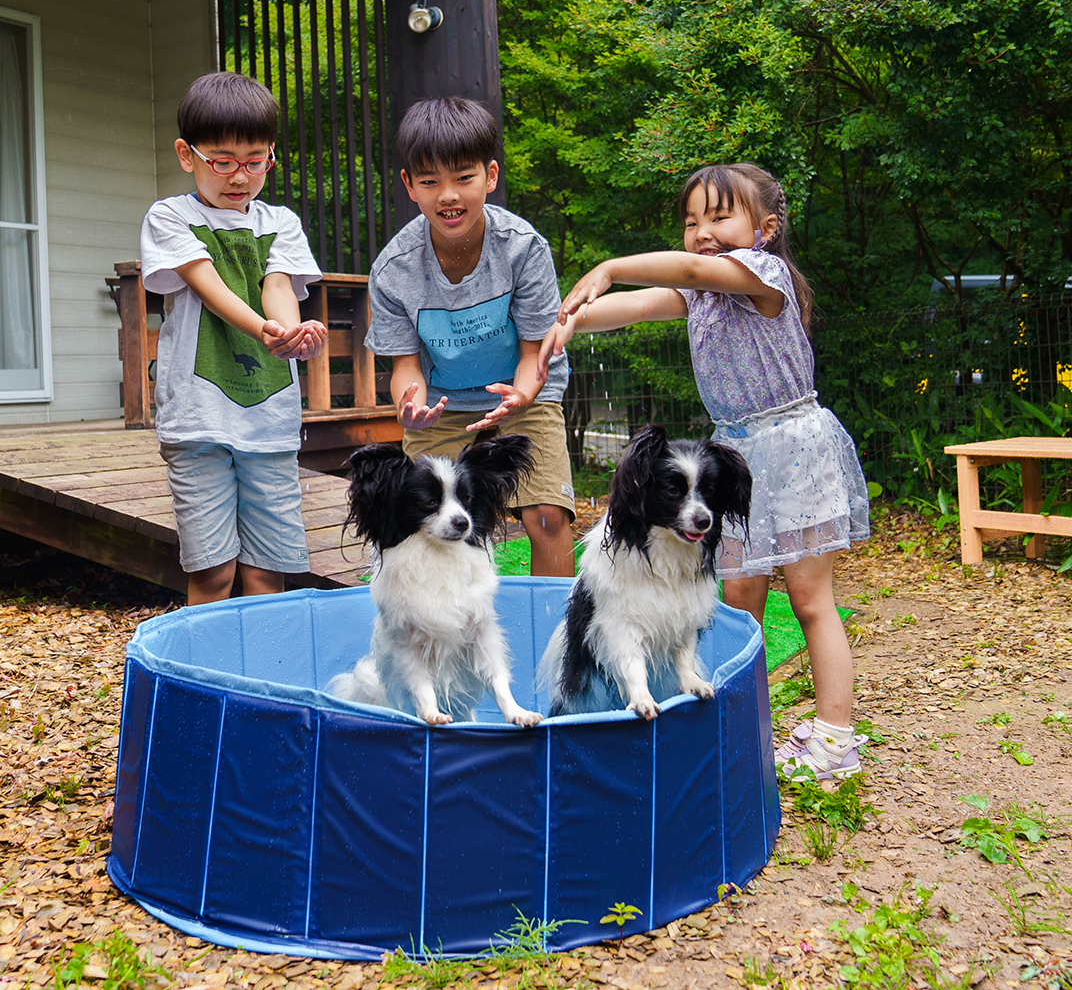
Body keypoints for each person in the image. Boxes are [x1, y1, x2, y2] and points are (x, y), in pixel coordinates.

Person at [537, 163, 872, 779]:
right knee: (739, 603)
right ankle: (747, 732)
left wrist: (608, 268)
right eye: (692, 221)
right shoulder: (700, 298)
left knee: (810, 599)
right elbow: (632, 309)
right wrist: (561, 325)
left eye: (720, 216)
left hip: (795, 448)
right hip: (735, 459)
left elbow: (686, 270)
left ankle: (834, 742)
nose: (702, 232)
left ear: (765, 229)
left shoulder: (765, 276)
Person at [366, 96, 577, 576]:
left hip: (526, 393)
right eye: (429, 182)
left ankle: (555, 638)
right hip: (440, 407)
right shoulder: (393, 269)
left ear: (491, 176)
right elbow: (405, 367)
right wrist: (409, 406)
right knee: (417, 523)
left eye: (464, 178)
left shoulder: (523, 249)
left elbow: (534, 353)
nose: (448, 195)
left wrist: (523, 393)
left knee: (545, 514)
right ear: (408, 185)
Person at [139, 71, 328, 606]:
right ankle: (209, 680)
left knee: (268, 577)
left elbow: (278, 286)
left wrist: (290, 332)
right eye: (222, 161)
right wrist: (264, 329)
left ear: (271, 155)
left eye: (255, 160)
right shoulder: (170, 216)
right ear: (186, 154)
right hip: (197, 418)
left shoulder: (281, 221)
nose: (239, 176)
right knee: (214, 573)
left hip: (269, 420)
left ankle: (262, 679)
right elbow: (206, 281)